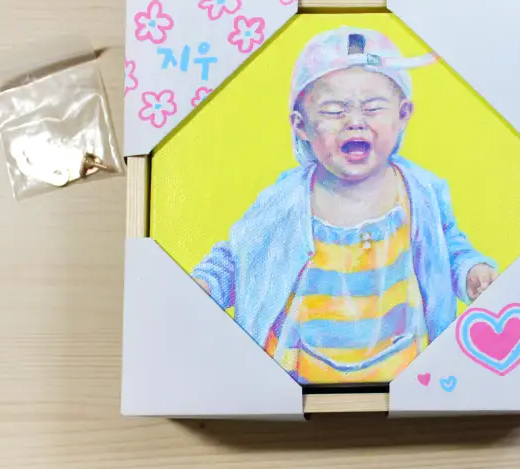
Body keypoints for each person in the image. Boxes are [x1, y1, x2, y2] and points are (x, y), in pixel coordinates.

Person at [192, 26, 498, 384]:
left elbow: (450, 249)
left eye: (373, 108)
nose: (355, 122)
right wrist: (206, 285)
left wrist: (472, 271)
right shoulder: (286, 199)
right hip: (299, 376)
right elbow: (240, 256)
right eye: (334, 110)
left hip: (401, 372)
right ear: (301, 125)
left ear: (403, 114)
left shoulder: (422, 193)